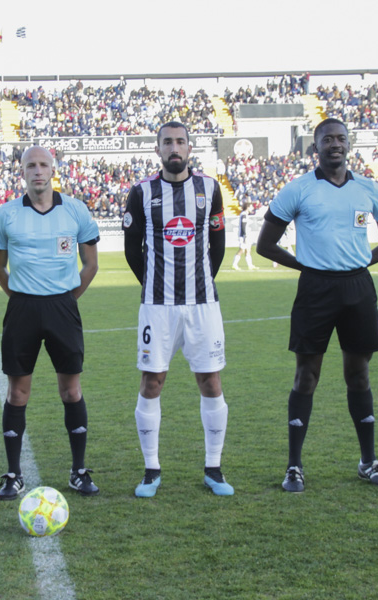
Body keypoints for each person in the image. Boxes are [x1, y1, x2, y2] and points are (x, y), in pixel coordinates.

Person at [255, 118, 378, 493]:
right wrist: (304, 266)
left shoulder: (368, 189)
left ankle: (368, 461)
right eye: (327, 139)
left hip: (357, 288)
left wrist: (362, 263)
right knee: (306, 376)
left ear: (348, 145)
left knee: (359, 374)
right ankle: (294, 467)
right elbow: (266, 244)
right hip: (315, 290)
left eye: (340, 138)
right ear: (315, 147)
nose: (335, 144)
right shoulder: (298, 190)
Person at [122, 121, 233, 498]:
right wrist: (155, 285)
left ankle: (214, 468)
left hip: (203, 304)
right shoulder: (141, 193)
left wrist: (200, 282)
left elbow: (217, 246)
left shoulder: (210, 189)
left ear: (190, 148)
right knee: (152, 382)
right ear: (157, 149)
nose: (174, 147)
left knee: (211, 381)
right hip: (157, 306)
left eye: (180, 141)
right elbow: (131, 249)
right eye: (167, 142)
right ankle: (151, 470)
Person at [0, 145, 101, 500]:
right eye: (30, 165)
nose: (37, 171)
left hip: (62, 308)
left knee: (71, 390)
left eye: (43, 165)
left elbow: (91, 264)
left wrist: (67, 300)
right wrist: (22, 298)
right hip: (22, 308)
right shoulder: (6, 214)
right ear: (21, 171)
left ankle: (79, 471)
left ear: (53, 169)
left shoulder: (75, 210)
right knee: (17, 392)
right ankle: (12, 474)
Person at [231, 205, 258, 271]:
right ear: (247, 207)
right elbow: (243, 226)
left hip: (246, 235)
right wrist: (245, 236)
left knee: (248, 250)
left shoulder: (245, 214)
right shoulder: (243, 214)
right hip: (243, 236)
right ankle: (234, 264)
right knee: (242, 250)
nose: (252, 208)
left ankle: (250, 265)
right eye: (251, 207)